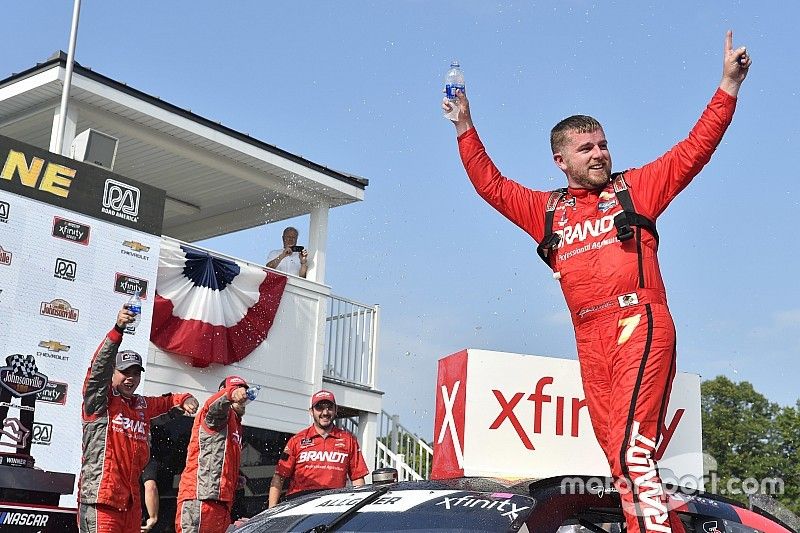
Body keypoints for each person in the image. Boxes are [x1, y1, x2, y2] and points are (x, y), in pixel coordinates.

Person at [444, 31, 750, 533]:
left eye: (603, 144)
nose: (600, 154)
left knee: (634, 448)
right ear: (560, 161)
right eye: (586, 148)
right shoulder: (548, 210)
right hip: (589, 337)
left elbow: (695, 148)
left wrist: (728, 86)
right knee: (619, 460)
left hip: (640, 320)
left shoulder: (637, 188)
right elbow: (491, 186)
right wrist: (465, 127)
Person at [78, 306, 199, 533]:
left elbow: (168, 402)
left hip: (130, 504)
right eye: (125, 372)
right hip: (102, 501)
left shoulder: (141, 405)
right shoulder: (100, 401)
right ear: (113, 373)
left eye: (136, 373)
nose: (130, 378)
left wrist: (186, 398)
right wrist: (117, 331)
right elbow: (97, 371)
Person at [267, 390, 369, 508]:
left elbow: (358, 478)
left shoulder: (349, 440)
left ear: (336, 410)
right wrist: (271, 509)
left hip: (334, 503)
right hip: (299, 502)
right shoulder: (297, 440)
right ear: (311, 411)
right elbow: (279, 476)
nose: (325, 412)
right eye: (319, 407)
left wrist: (360, 509)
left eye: (329, 407)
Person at [175, 376, 250, 533]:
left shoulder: (236, 424)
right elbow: (213, 406)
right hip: (200, 501)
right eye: (238, 390)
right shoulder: (217, 416)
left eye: (244, 392)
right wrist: (230, 394)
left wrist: (234, 479)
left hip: (222, 503)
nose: (243, 396)